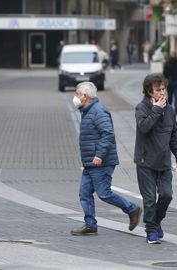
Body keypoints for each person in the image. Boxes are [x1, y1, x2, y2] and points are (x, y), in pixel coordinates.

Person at [71, 82, 142, 236]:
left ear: (85, 96)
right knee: (84, 193)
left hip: (101, 162)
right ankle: (90, 225)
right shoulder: (87, 110)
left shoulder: (98, 111)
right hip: (91, 162)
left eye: (77, 94)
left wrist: (99, 155)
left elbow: (108, 134)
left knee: (104, 193)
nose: (75, 97)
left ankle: (132, 209)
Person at [134, 73, 177, 244]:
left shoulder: (170, 110)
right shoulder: (141, 108)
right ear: (150, 92)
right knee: (149, 199)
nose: (162, 92)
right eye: (158, 90)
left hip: (163, 161)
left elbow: (173, 135)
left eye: (163, 89)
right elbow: (144, 127)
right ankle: (151, 231)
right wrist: (156, 110)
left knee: (167, 195)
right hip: (145, 161)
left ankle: (155, 221)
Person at [163, 51, 177, 115]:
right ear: (176, 55)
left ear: (170, 55)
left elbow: (165, 73)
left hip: (170, 82)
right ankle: (176, 111)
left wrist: (167, 79)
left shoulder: (167, 63)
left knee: (170, 97)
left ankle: (169, 110)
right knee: (176, 97)